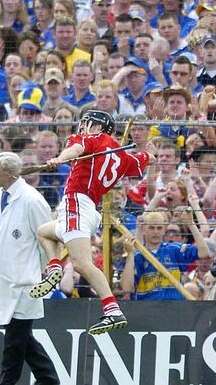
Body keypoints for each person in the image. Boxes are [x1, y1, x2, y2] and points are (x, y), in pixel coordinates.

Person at [31, 110, 155, 335]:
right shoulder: (124, 157)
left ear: (98, 127)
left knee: (81, 264)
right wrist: (149, 150)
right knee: (43, 232)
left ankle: (112, 309)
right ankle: (55, 268)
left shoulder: (92, 139)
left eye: (86, 123)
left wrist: (60, 158)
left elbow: (75, 149)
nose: (82, 127)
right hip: (87, 209)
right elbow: (148, 158)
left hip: (76, 203)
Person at [0, 152, 59, 385]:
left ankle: (6, 384)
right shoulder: (0, 195)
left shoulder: (32, 201)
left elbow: (48, 238)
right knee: (18, 333)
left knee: (15, 336)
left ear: (9, 173)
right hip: (3, 276)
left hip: (25, 278)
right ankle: (47, 376)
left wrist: (46, 270)